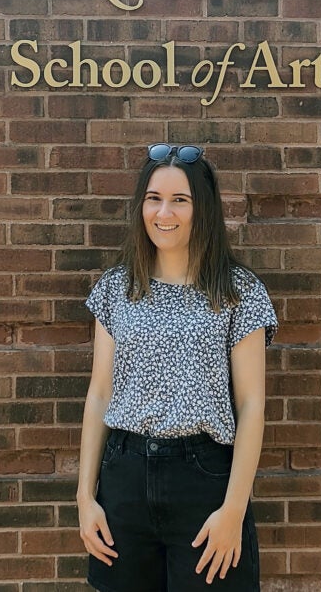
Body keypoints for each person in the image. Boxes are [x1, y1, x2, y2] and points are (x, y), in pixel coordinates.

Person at [77, 143, 278, 591]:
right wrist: (84, 498)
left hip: (204, 481)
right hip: (124, 480)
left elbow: (251, 405)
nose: (163, 212)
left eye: (179, 200)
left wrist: (234, 510)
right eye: (154, 198)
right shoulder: (117, 288)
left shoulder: (237, 291)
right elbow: (99, 395)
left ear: (202, 209)